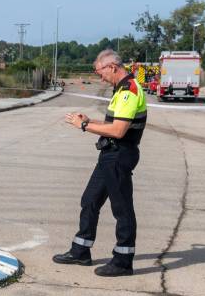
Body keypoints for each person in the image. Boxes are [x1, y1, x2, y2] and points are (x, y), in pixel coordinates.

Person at [53, 49, 147, 277]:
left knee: (122, 209)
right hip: (109, 155)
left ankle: (123, 261)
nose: (100, 77)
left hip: (119, 155)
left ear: (112, 67)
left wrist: (84, 126)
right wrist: (91, 121)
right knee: (90, 200)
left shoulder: (129, 91)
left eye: (100, 72)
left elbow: (118, 130)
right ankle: (81, 251)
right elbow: (113, 124)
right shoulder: (121, 89)